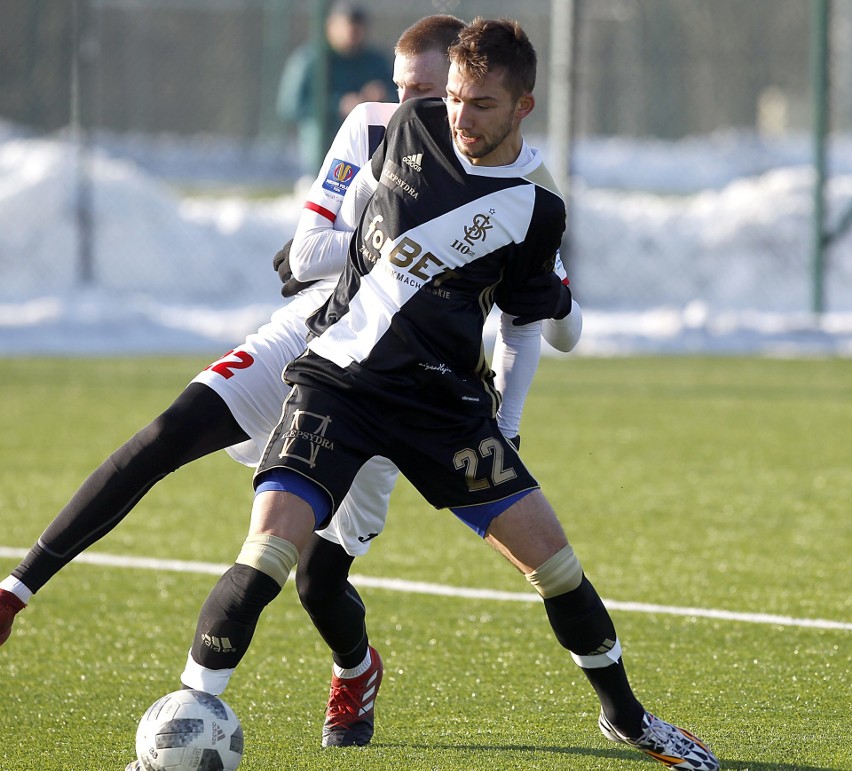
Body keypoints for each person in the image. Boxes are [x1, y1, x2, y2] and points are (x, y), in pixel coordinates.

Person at [0, 11, 582, 749]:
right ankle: (15, 591)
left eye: (431, 92)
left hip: (405, 378)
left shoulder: (523, 177)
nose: (419, 109)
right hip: (312, 334)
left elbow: (546, 314)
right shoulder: (376, 124)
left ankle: (355, 666)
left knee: (318, 581)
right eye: (407, 89)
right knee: (167, 433)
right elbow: (304, 252)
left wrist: (548, 313)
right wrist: (398, 258)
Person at [177, 17, 719, 771]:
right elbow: (350, 215)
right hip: (339, 382)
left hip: (444, 406)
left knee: (557, 567)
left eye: (483, 104)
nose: (461, 116)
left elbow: (527, 326)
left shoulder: (537, 208)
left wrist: (511, 422)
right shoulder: (408, 124)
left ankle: (626, 716)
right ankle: (183, 722)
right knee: (268, 552)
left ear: (523, 105)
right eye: (456, 97)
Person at [277, 1, 395, 176]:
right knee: (317, 133)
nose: (352, 33)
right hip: (325, 136)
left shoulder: (375, 61)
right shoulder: (310, 59)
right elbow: (289, 105)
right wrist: (338, 105)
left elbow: (400, 96)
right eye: (346, 26)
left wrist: (380, 97)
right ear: (330, 26)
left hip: (369, 138)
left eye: (357, 28)